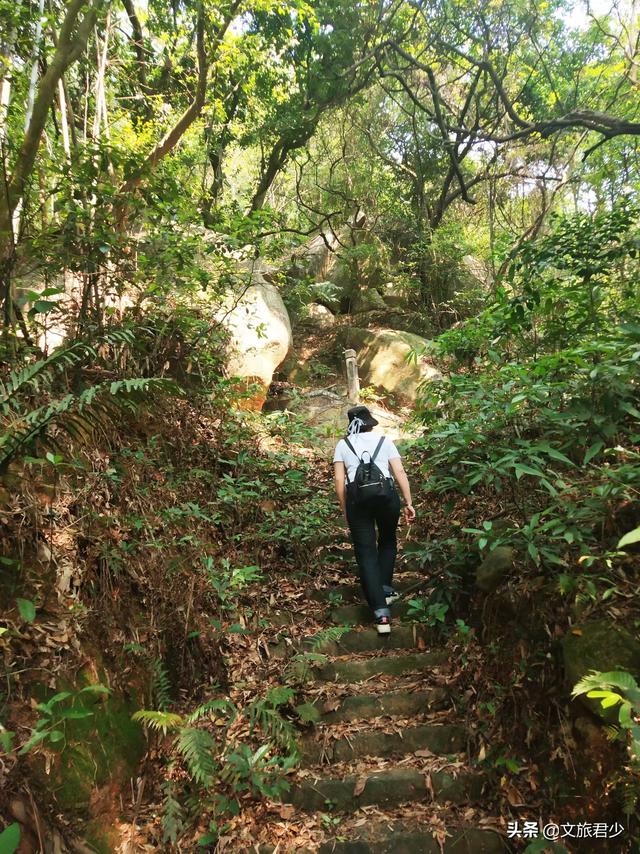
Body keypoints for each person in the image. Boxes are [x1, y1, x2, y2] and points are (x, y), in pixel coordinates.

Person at [333, 405, 416, 634]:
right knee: (388, 540)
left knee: (366, 553)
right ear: (370, 423)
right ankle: (385, 588)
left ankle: (381, 613)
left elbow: (340, 483)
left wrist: (344, 509)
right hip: (386, 498)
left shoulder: (343, 445)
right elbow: (399, 472)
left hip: (357, 503)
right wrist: (408, 502)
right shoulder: (384, 441)